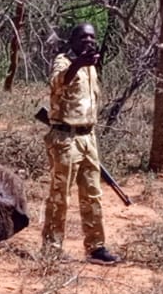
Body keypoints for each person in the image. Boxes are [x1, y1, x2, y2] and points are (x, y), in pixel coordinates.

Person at [42, 23, 119, 265]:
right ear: (73, 39)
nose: (89, 40)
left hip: (88, 137)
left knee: (93, 194)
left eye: (92, 37)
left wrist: (86, 65)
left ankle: (96, 247)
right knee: (60, 195)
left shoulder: (91, 67)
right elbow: (57, 82)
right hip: (65, 138)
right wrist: (78, 64)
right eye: (83, 36)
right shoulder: (65, 62)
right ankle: (52, 248)